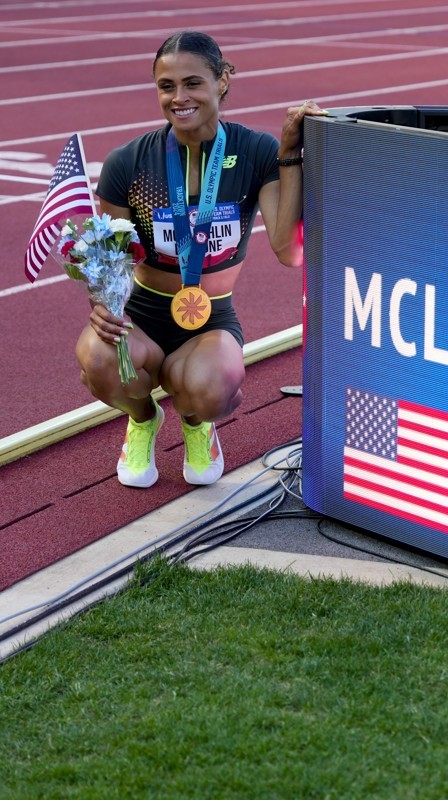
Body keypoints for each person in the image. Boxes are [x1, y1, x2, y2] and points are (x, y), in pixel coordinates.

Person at [77, 30, 326, 488]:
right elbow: (109, 261)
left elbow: (290, 252)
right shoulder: (128, 162)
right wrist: (101, 304)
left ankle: (197, 424)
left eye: (192, 83)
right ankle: (142, 418)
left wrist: (290, 153)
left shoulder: (255, 152)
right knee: (98, 358)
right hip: (143, 316)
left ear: (223, 80)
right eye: (166, 86)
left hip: (211, 318)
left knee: (214, 385)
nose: (179, 98)